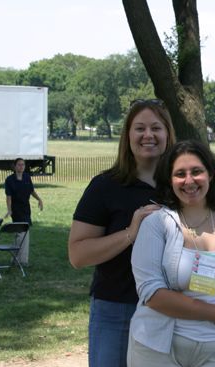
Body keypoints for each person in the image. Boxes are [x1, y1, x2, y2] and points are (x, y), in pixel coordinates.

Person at [128, 140, 215, 367]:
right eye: (179, 174)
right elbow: (151, 293)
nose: (189, 181)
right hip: (157, 348)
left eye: (196, 171)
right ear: (170, 180)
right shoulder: (157, 224)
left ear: (211, 174)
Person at [68, 98, 175, 367]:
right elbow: (77, 255)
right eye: (139, 128)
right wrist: (131, 232)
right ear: (127, 136)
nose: (148, 135)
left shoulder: (183, 186)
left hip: (171, 311)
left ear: (168, 134)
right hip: (116, 309)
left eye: (156, 128)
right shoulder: (105, 186)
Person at [4, 157, 44, 264]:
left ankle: (19, 260)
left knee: (23, 233)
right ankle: (20, 260)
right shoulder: (9, 180)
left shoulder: (27, 177)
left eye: (23, 165)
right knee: (21, 233)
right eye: (19, 165)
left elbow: (31, 191)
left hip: (26, 209)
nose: (21, 167)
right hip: (16, 211)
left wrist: (39, 199)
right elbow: (8, 196)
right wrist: (9, 210)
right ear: (15, 166)